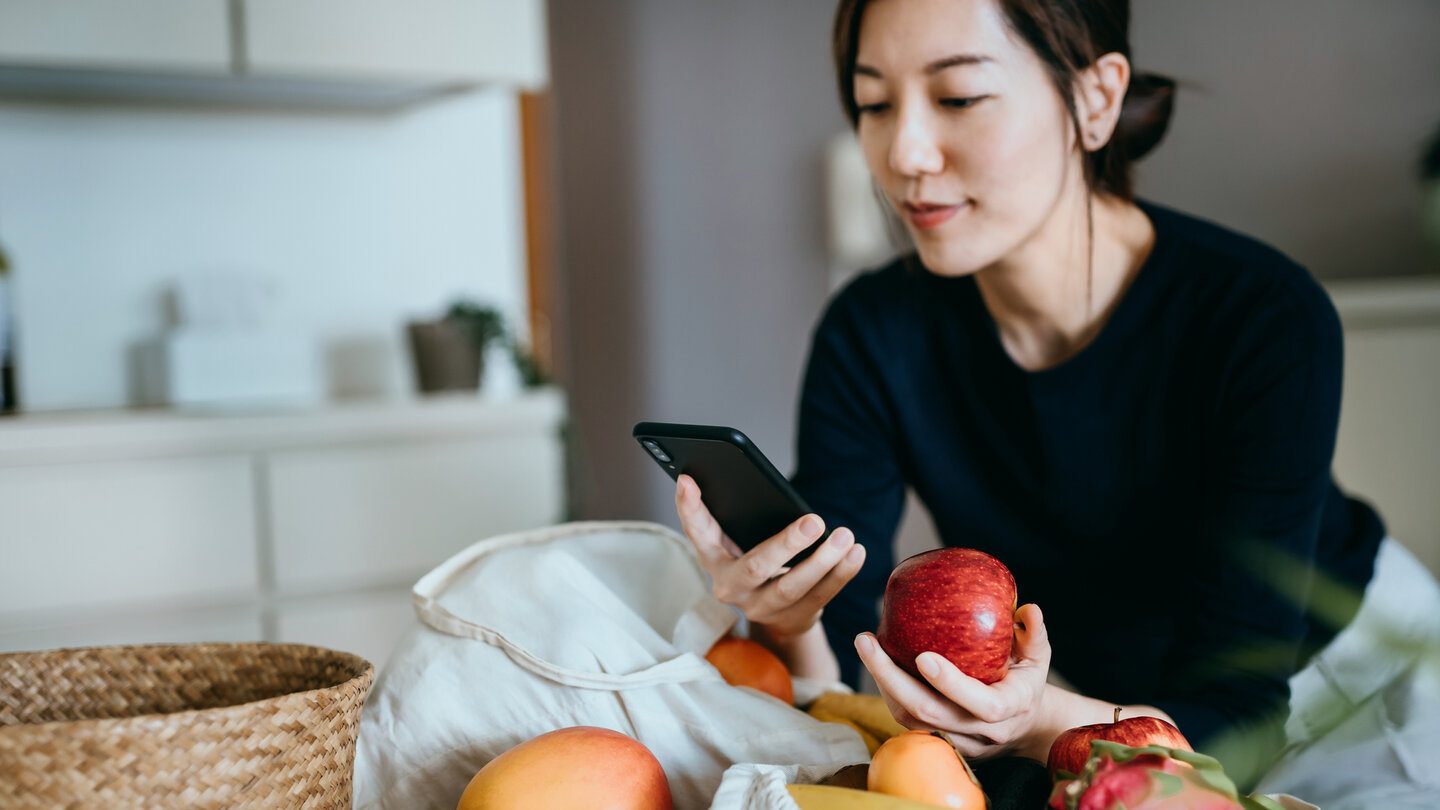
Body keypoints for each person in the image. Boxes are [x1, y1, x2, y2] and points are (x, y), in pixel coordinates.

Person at [673, 0, 1440, 805]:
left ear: (1097, 100)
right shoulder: (872, 333)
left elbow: (1239, 706)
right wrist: (788, 616)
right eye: (873, 103)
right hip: (1105, 710)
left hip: (1351, 694)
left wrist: (1036, 724)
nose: (903, 153)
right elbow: (854, 652)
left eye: (959, 97)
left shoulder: (1263, 317)